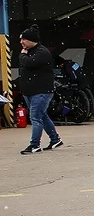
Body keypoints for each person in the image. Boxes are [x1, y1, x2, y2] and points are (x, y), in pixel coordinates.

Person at [16, 25, 62, 154]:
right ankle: (55, 139)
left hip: (41, 92)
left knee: (35, 118)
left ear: (32, 40)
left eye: (23, 39)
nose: (21, 42)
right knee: (42, 116)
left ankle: (34, 145)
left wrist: (22, 56)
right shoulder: (29, 52)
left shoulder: (42, 52)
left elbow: (30, 63)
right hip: (30, 91)